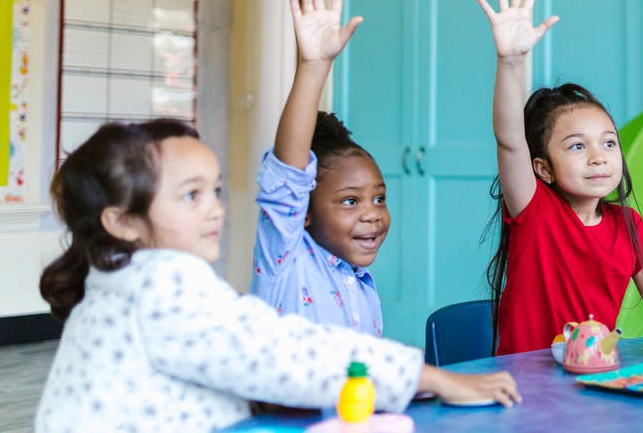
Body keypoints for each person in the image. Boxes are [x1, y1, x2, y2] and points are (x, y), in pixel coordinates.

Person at [36, 120, 519, 432]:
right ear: (121, 221)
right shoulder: (160, 281)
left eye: (215, 191)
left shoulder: (121, 280)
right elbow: (276, 351)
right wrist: (423, 375)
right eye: (191, 195)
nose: (216, 210)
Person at [475, 0, 643, 355]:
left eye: (609, 142)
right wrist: (509, 64)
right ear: (543, 169)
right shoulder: (534, 210)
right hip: (526, 388)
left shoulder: (628, 225)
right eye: (577, 146)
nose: (598, 156)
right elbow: (509, 140)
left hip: (595, 383)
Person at [251, 0, 388, 335]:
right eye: (349, 201)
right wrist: (314, 67)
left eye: (378, 198)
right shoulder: (286, 259)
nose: (372, 214)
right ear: (303, 213)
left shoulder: (361, 283)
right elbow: (288, 175)